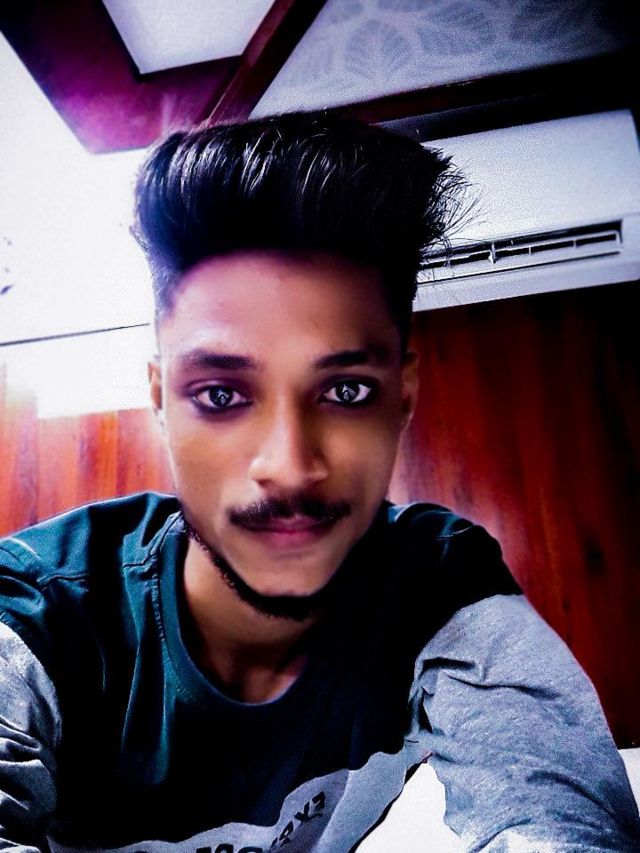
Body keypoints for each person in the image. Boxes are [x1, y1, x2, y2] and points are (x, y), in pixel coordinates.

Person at [0, 111, 639, 853]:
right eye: (221, 394)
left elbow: (556, 821)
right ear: (162, 400)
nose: (289, 464)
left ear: (401, 399)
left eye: (345, 391)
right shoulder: (42, 611)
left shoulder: (436, 587)